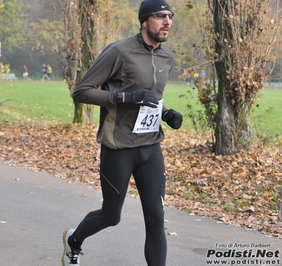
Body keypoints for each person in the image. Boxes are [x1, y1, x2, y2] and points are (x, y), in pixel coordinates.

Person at [61, 1, 183, 265]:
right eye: (160, 16)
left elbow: (152, 98)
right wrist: (125, 97)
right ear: (144, 20)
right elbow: (82, 91)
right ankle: (74, 241)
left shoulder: (166, 56)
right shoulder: (119, 51)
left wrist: (166, 113)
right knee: (110, 215)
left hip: (150, 147)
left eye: (170, 16)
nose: (167, 21)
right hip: (119, 146)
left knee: (156, 220)